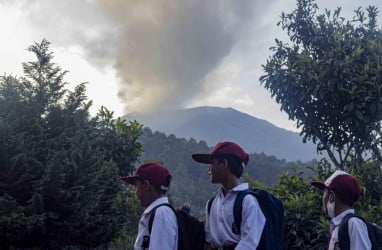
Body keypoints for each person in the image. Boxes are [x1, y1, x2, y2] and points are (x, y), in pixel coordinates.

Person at [192, 141, 266, 250]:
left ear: (224, 164)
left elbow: (249, 244)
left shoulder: (247, 201)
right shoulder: (212, 203)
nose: (209, 170)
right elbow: (209, 242)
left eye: (212, 163)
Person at [121, 162, 178, 250]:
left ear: (146, 186)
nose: (135, 192)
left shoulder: (161, 214)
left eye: (136, 186)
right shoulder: (158, 213)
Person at [311, 170, 371, 250]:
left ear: (331, 196)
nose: (323, 197)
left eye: (324, 192)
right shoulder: (338, 226)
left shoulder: (354, 224)